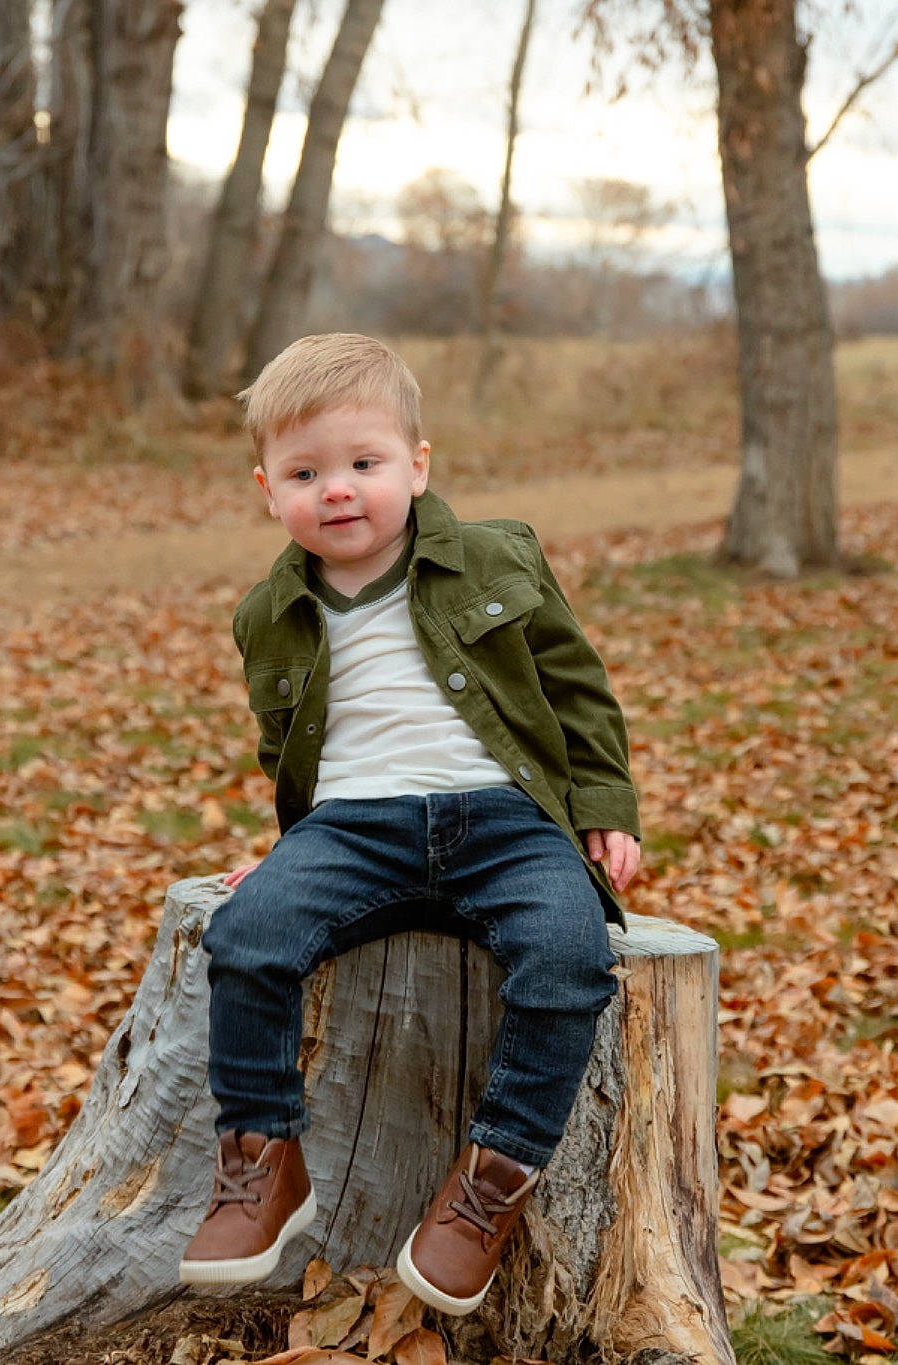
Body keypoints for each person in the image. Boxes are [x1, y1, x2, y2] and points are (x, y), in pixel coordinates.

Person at [177, 333, 641, 1317]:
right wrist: (286, 858)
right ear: (267, 490)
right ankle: (264, 1161)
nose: (336, 491)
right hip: (353, 828)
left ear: (416, 468)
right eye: (305, 473)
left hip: (507, 821)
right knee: (245, 939)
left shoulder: (492, 557)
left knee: (567, 959)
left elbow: (577, 689)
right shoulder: (269, 614)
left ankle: (490, 1182)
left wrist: (601, 812)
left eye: (362, 464)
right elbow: (286, 747)